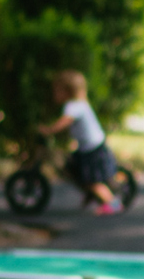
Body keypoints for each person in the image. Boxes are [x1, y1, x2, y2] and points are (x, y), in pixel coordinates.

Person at [39, 69, 124, 214]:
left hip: (92, 149)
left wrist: (49, 130)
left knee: (92, 180)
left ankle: (113, 203)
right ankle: (92, 196)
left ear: (68, 91)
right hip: (89, 147)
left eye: (57, 90)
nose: (54, 94)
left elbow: (65, 121)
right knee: (77, 173)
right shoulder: (80, 104)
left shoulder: (74, 106)